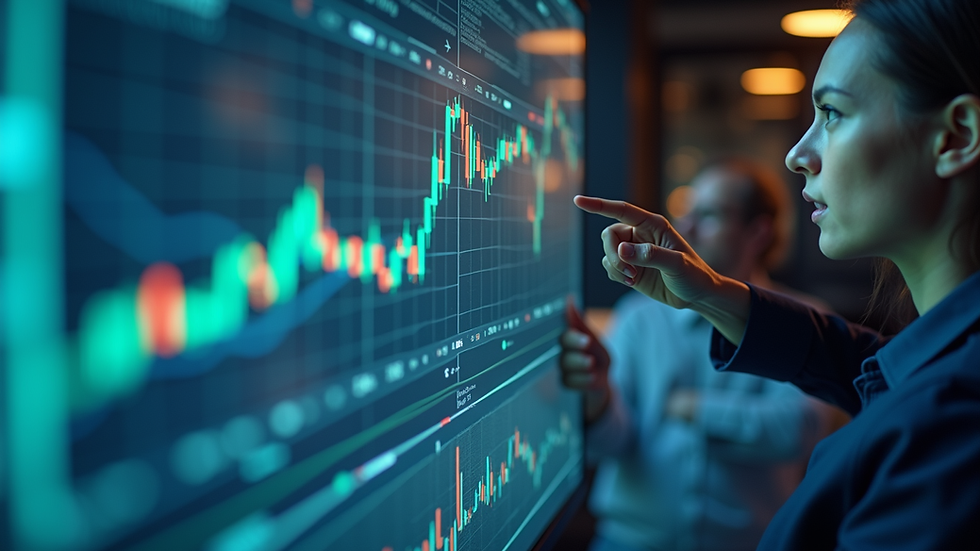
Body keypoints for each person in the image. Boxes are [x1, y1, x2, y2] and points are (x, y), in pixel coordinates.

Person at [572, 0, 980, 548]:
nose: (796, 154)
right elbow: (862, 361)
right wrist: (714, 296)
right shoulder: (938, 365)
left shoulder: (954, 415)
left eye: (832, 113)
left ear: (955, 137)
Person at [561, 160, 835, 551]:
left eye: (707, 215)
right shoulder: (637, 317)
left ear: (758, 232)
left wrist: (691, 408)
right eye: (687, 211)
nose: (684, 228)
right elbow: (612, 444)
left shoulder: (805, 321)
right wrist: (597, 396)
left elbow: (795, 431)